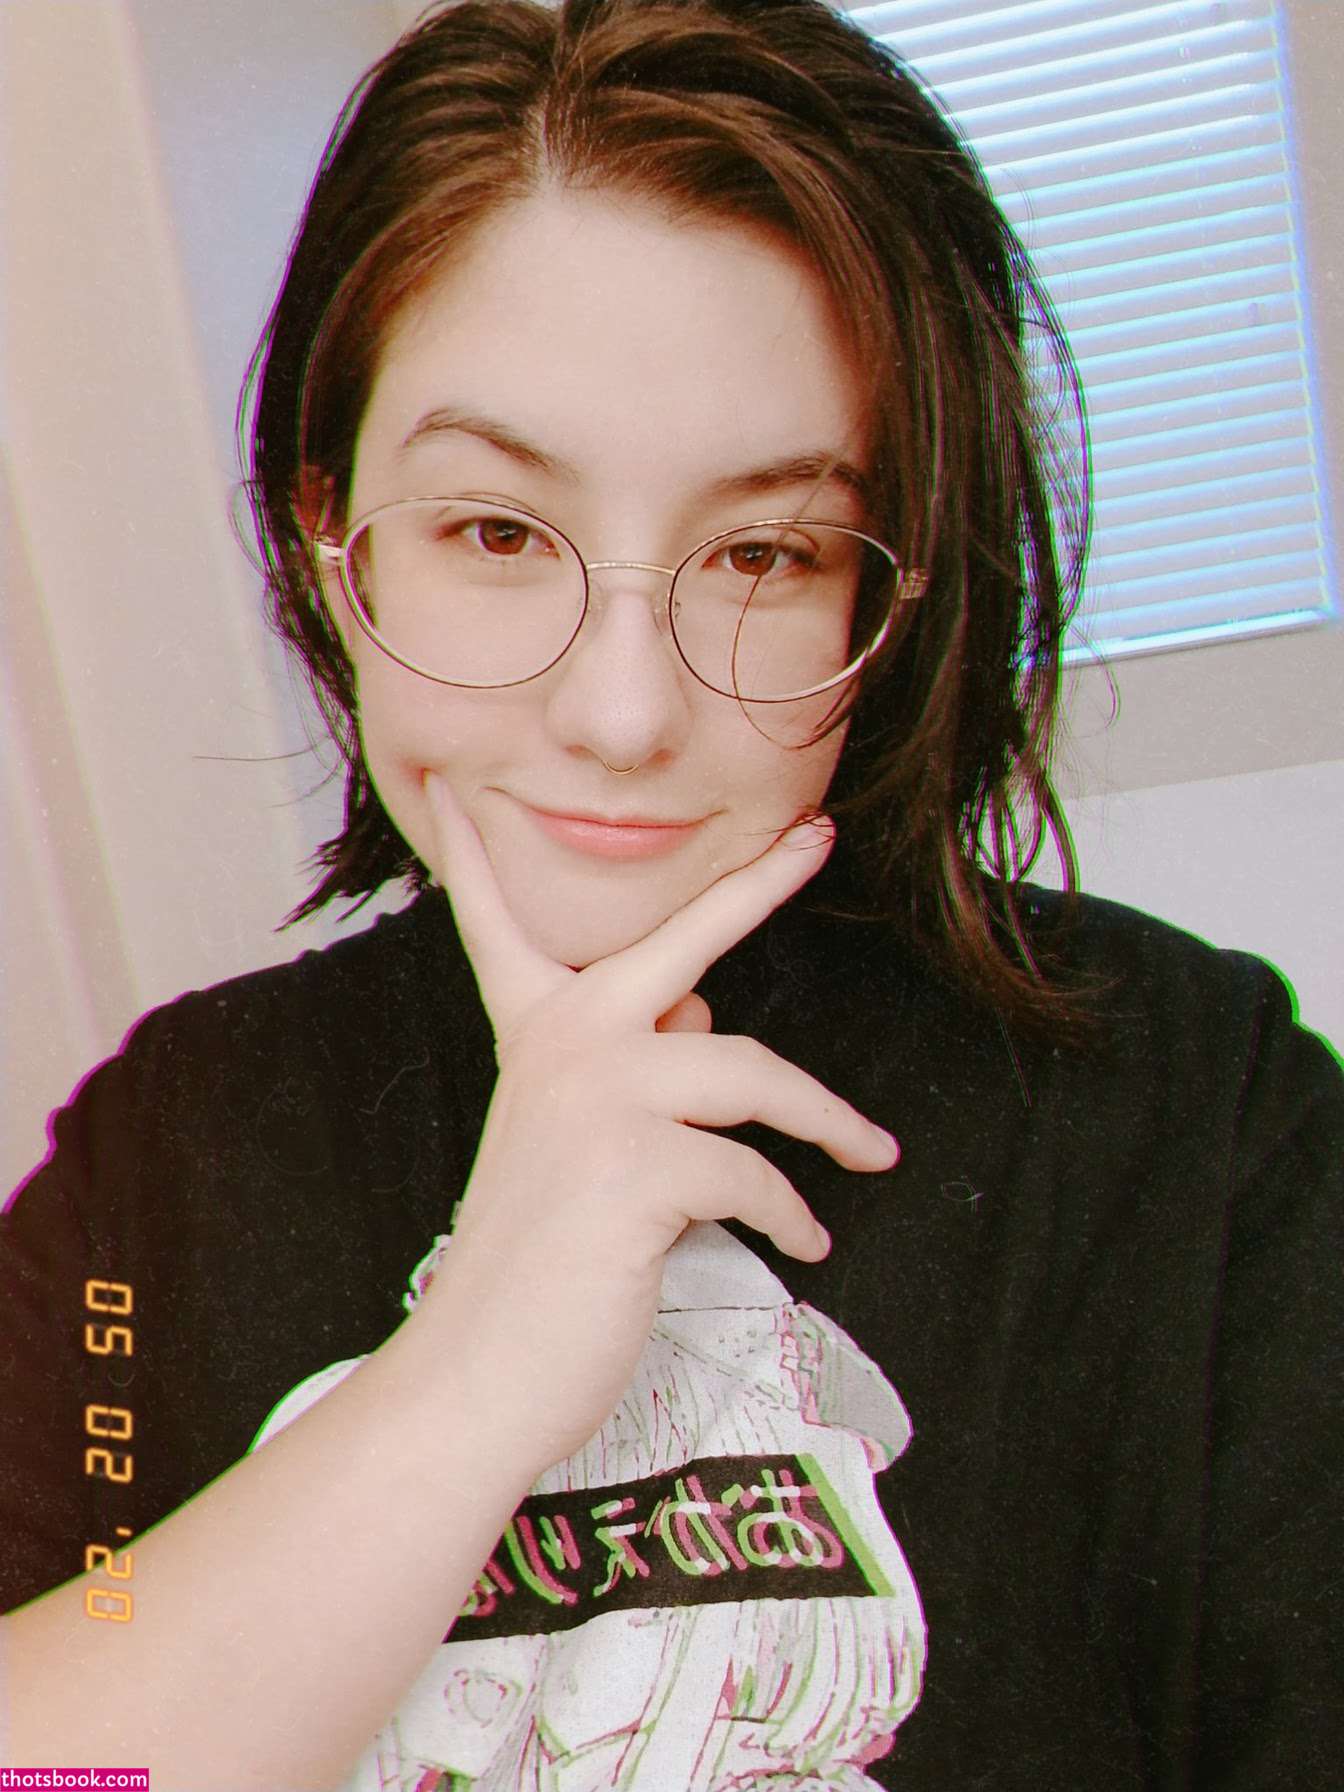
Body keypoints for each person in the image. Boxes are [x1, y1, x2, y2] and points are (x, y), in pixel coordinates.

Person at [2, 0, 1340, 1786]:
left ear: (894, 602)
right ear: (327, 535)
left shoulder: (1195, 1104)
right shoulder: (166, 1157)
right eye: (496, 531)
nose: (622, 713)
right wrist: (474, 1366)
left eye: (763, 553)